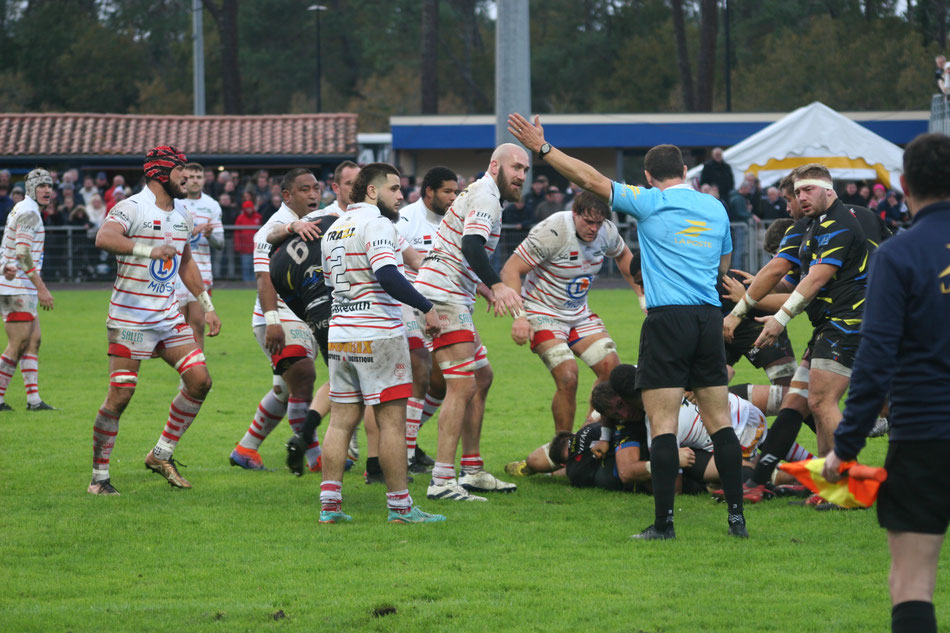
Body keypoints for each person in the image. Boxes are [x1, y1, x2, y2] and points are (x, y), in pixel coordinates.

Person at [508, 113, 747, 540]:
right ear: (687, 172)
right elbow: (723, 267)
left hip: (668, 319)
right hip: (708, 318)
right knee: (719, 421)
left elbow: (589, 176)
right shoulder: (716, 207)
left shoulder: (650, 200)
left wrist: (542, 149)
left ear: (649, 176)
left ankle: (664, 525)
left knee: (664, 424)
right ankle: (737, 519)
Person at [820, 133, 950, 633]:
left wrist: (845, 449)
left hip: (923, 436)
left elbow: (874, 359)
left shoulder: (897, 254)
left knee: (913, 583)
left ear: (902, 184)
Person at [88, 146, 221, 495]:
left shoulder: (183, 215)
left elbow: (187, 261)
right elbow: (104, 237)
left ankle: (161, 454)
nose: (187, 177)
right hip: (129, 319)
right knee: (120, 396)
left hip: (167, 317)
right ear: (161, 173)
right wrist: (148, 250)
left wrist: (206, 305)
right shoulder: (132, 207)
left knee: (200, 381)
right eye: (180, 170)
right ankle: (99, 478)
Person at [318, 162, 445, 524]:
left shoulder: (335, 229)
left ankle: (330, 507)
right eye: (394, 188)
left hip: (341, 335)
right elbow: (387, 274)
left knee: (341, 422)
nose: (402, 196)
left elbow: (333, 284)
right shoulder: (377, 224)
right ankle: (401, 509)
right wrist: (426, 307)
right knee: (391, 422)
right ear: (372, 192)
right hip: (377, 335)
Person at [413, 144, 528, 502]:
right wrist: (496, 285)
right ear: (495, 166)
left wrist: (484, 290)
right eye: (516, 167)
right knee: (461, 386)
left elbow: (458, 249)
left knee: (482, 376)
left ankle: (473, 469)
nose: (521, 175)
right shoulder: (487, 196)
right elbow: (472, 245)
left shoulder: (483, 193)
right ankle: (443, 480)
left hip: (451, 293)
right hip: (442, 296)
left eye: (525, 169)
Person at [500, 191, 638, 434]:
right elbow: (510, 269)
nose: (594, 229)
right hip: (542, 312)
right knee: (568, 375)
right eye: (588, 221)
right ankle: (563, 445)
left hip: (578, 313)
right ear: (575, 214)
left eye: (598, 222)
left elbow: (624, 256)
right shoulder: (552, 231)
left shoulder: (606, 231)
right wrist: (519, 317)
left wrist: (642, 295)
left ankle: (587, 431)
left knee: (612, 368)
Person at [228, 169, 320, 472]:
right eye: (304, 189)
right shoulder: (269, 229)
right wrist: (272, 321)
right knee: (304, 376)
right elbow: (263, 278)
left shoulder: (318, 222)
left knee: (284, 390)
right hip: (277, 317)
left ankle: (245, 449)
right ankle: (314, 456)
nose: (312, 195)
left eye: (316, 189)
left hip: (303, 317)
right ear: (287, 195)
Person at [394, 166, 458, 471]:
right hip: (406, 307)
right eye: (447, 191)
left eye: (456, 192)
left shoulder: (453, 221)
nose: (453, 197)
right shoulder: (406, 219)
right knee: (419, 370)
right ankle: (401, 454)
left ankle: (407, 440)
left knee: (442, 382)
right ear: (429, 191)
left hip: (441, 307)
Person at [0, 169, 56, 411]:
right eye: (41, 185)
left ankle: (33, 401)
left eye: (50, 186)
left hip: (19, 284)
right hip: (17, 288)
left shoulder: (24, 208)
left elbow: (11, 248)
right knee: (18, 342)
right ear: (31, 188)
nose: (47, 190)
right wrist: (42, 289)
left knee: (33, 340)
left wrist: (4, 266)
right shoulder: (30, 213)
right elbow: (22, 254)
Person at [175, 163, 224, 351]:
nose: (195, 181)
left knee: (198, 322)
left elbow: (220, 244)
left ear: (204, 180)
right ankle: (185, 373)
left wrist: (211, 235)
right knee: (178, 325)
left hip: (202, 272)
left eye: (198, 177)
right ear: (184, 179)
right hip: (176, 271)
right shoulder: (175, 202)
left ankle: (196, 370)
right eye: (191, 177)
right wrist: (193, 231)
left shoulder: (211, 205)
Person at [233, 201, 260, 282]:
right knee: (246, 268)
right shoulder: (240, 218)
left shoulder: (258, 217)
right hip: (244, 249)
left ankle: (255, 284)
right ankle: (246, 284)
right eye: (247, 208)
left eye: (250, 208)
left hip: (256, 248)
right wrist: (238, 246)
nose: (248, 210)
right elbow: (237, 233)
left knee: (256, 268)